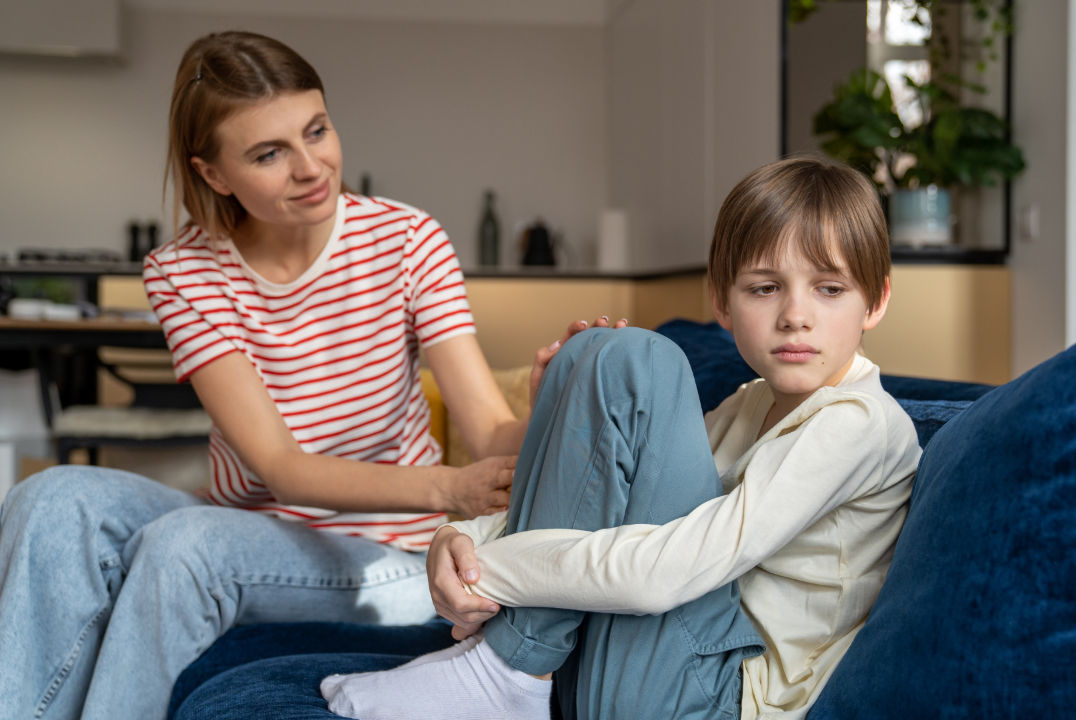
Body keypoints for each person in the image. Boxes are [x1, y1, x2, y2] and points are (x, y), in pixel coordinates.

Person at [0, 31, 616, 720]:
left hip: (388, 553)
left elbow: (491, 433)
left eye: (316, 130)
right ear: (214, 175)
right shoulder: (183, 270)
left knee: (187, 546)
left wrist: (547, 405)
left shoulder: (407, 241)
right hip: (244, 530)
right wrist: (450, 483)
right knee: (50, 501)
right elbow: (280, 468)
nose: (311, 166)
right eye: (269, 153)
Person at [320, 156, 923, 720]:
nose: (796, 314)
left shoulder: (859, 423)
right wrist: (457, 538)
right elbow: (610, 496)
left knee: (640, 362)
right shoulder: (750, 403)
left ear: (877, 301)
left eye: (830, 289)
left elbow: (664, 572)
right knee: (595, 352)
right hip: (642, 668)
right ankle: (512, 674)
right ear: (722, 301)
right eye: (764, 288)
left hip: (721, 699)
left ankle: (506, 671)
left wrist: (490, 570)